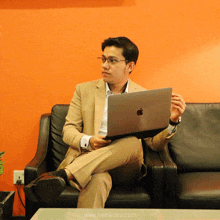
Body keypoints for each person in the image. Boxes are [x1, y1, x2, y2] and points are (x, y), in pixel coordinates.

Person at [24, 36, 186, 208]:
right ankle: (69, 175)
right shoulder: (84, 90)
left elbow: (154, 144)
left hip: (125, 168)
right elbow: (68, 130)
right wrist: (89, 141)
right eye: (103, 59)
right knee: (98, 178)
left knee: (131, 142)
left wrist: (172, 120)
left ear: (129, 66)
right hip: (90, 161)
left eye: (112, 61)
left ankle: (63, 174)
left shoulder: (143, 96)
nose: (104, 65)